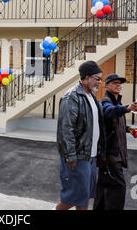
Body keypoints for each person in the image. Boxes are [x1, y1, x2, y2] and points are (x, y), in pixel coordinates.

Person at [55, 60, 106, 210]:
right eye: (97, 78)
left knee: (84, 198)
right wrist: (70, 155)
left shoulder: (92, 97)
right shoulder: (71, 97)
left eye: (101, 79)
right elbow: (65, 129)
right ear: (86, 77)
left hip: (90, 157)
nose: (99, 82)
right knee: (72, 198)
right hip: (77, 157)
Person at [93, 73, 137, 210]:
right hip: (110, 157)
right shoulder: (105, 102)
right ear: (107, 85)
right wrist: (127, 108)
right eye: (114, 83)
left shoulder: (117, 103)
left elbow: (113, 124)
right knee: (118, 189)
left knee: (103, 188)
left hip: (113, 157)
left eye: (119, 83)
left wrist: (129, 129)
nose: (118, 85)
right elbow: (109, 112)